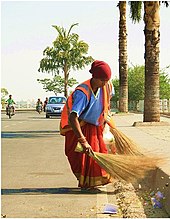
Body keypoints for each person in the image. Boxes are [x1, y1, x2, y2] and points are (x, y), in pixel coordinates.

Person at [60, 60, 114, 193]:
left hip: (96, 126)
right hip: (80, 127)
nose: (105, 83)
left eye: (107, 80)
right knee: (80, 156)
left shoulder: (107, 86)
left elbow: (107, 102)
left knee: (99, 153)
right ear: (94, 77)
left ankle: (94, 182)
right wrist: (82, 140)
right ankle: (87, 183)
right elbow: (73, 117)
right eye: (102, 80)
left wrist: (106, 119)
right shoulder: (82, 92)